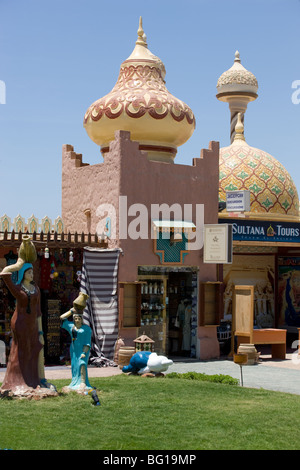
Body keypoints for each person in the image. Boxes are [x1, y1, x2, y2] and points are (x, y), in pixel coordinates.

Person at [0, 262, 44, 392]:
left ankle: (32, 379)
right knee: (21, 350)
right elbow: (4, 275)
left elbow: (38, 310)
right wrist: (18, 264)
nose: (32, 274)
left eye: (32, 272)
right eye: (29, 272)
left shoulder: (35, 288)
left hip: (32, 324)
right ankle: (18, 380)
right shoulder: (18, 288)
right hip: (20, 323)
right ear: (23, 274)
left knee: (33, 348)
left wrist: (40, 330)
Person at [60, 293, 92, 391]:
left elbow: (87, 342)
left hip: (83, 350)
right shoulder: (71, 327)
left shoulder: (86, 329)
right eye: (75, 318)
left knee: (82, 363)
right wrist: (71, 311)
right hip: (74, 350)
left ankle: (83, 382)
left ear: (82, 319)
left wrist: (84, 352)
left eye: (79, 318)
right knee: (74, 366)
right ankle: (75, 382)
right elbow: (62, 318)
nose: (77, 320)